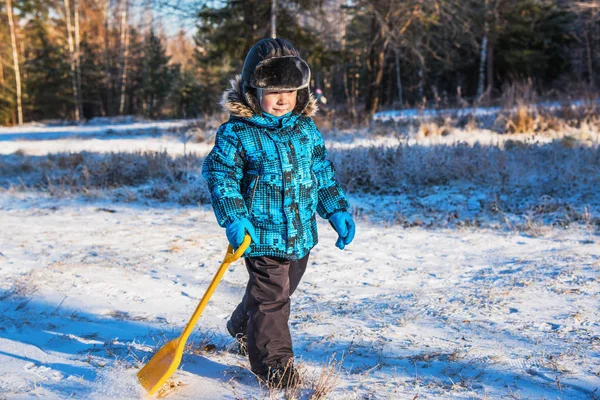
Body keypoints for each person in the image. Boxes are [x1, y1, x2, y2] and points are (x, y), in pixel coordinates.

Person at [202, 38, 355, 387]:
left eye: (290, 90)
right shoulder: (237, 133)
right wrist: (235, 217)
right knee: (272, 301)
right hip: (260, 234)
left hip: (300, 232)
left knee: (281, 290)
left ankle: (242, 326)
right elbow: (220, 175)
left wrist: (335, 210)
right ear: (252, 90)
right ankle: (275, 366)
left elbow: (320, 171)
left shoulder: (305, 129)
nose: (282, 99)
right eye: (273, 91)